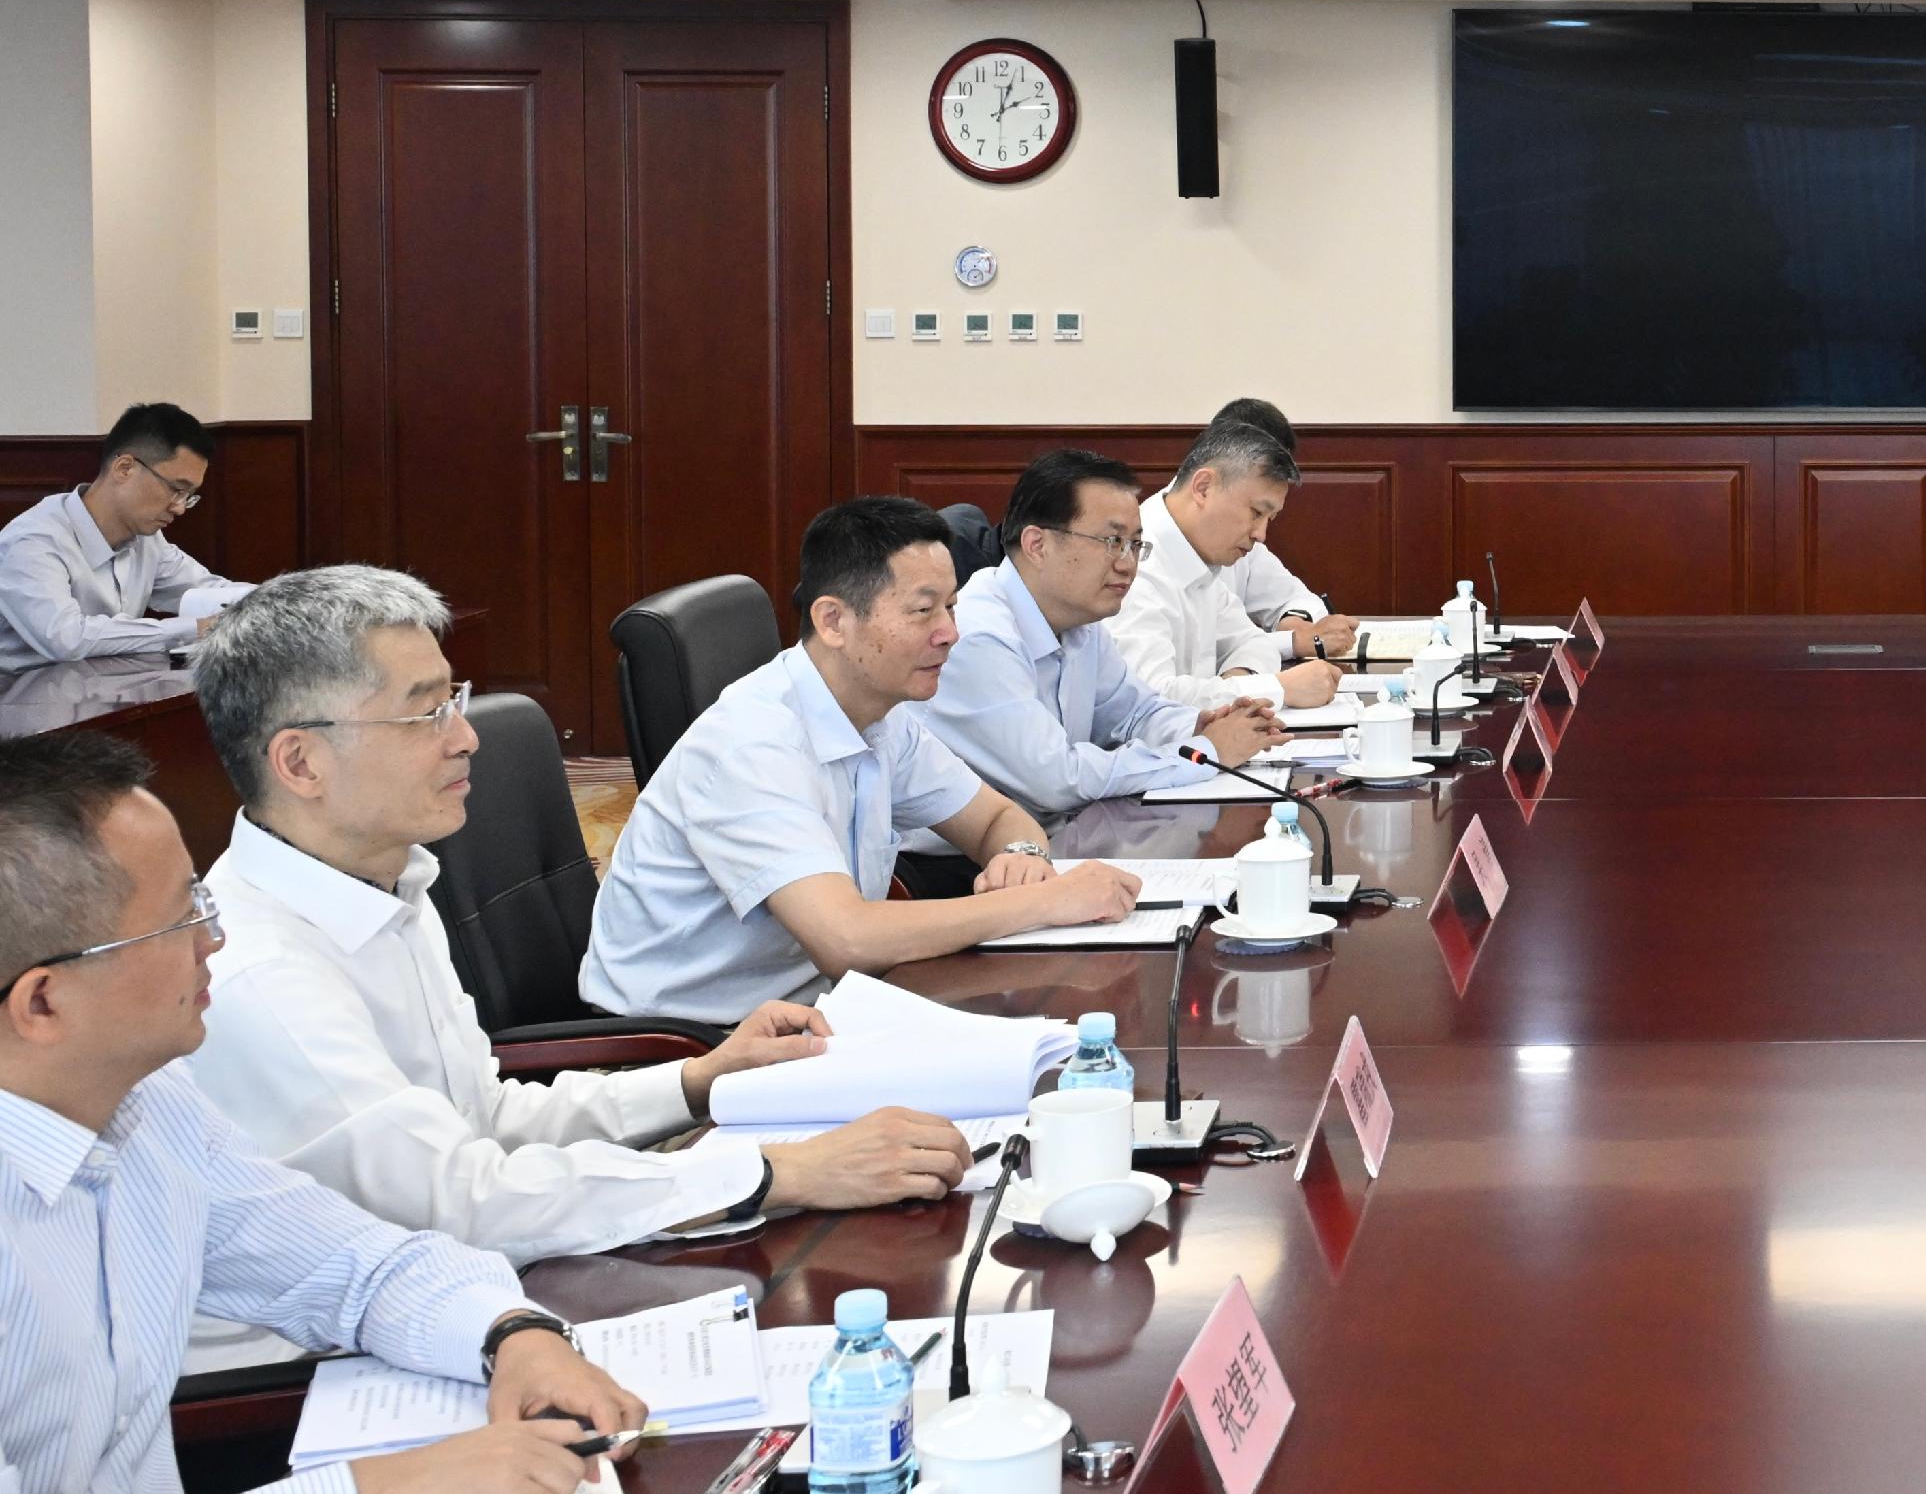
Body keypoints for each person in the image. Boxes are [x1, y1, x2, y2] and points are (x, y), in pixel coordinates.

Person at [0, 729, 650, 1494]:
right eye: (181, 916)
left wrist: (513, 1335)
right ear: (44, 1002)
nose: (214, 937)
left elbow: (354, 1263)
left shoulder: (146, 1105)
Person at [182, 567, 976, 1263]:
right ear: (300, 762)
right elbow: (459, 1201)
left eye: (452, 701)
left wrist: (697, 1082)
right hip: (337, 1366)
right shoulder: (260, 976)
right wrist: (778, 1174)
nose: (464, 739)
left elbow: (482, 1117)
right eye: (424, 714)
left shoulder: (386, 886)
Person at [580, 498, 1142, 1023]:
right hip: (691, 1044)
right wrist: (1042, 902)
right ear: (833, 622)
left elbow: (998, 818)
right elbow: (846, 938)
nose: (951, 633)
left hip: (826, 1006)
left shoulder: (880, 711)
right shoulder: (752, 744)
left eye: (951, 605)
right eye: (923, 612)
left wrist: (1018, 855)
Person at [922, 449, 1283, 816]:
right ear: (1037, 545)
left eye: (1135, 544)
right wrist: (1205, 752)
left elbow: (1136, 714)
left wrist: (1201, 725)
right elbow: (1056, 781)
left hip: (1054, 838)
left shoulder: (1080, 622)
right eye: (1112, 542)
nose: (1127, 564)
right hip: (963, 865)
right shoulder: (980, 635)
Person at [0, 404, 253, 672]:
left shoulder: (147, 539)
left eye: (187, 496)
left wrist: (280, 604)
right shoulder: (33, 541)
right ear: (124, 468)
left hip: (102, 690)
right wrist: (192, 629)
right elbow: (67, 639)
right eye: (176, 489)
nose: (179, 508)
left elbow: (209, 590)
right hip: (20, 701)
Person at [1111, 422, 1342, 714]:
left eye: (1270, 518)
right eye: (1256, 512)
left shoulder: (1198, 555)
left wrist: (1238, 684)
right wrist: (1277, 689)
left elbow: (1256, 643)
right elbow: (1149, 701)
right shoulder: (1134, 563)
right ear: (1203, 488)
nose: (1261, 534)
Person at [1207, 400, 1361, 663]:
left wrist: (1296, 623)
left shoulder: (1239, 538)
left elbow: (1295, 597)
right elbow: (1216, 649)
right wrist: (1296, 642)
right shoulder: (1150, 547)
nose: (1261, 534)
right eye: (1256, 511)